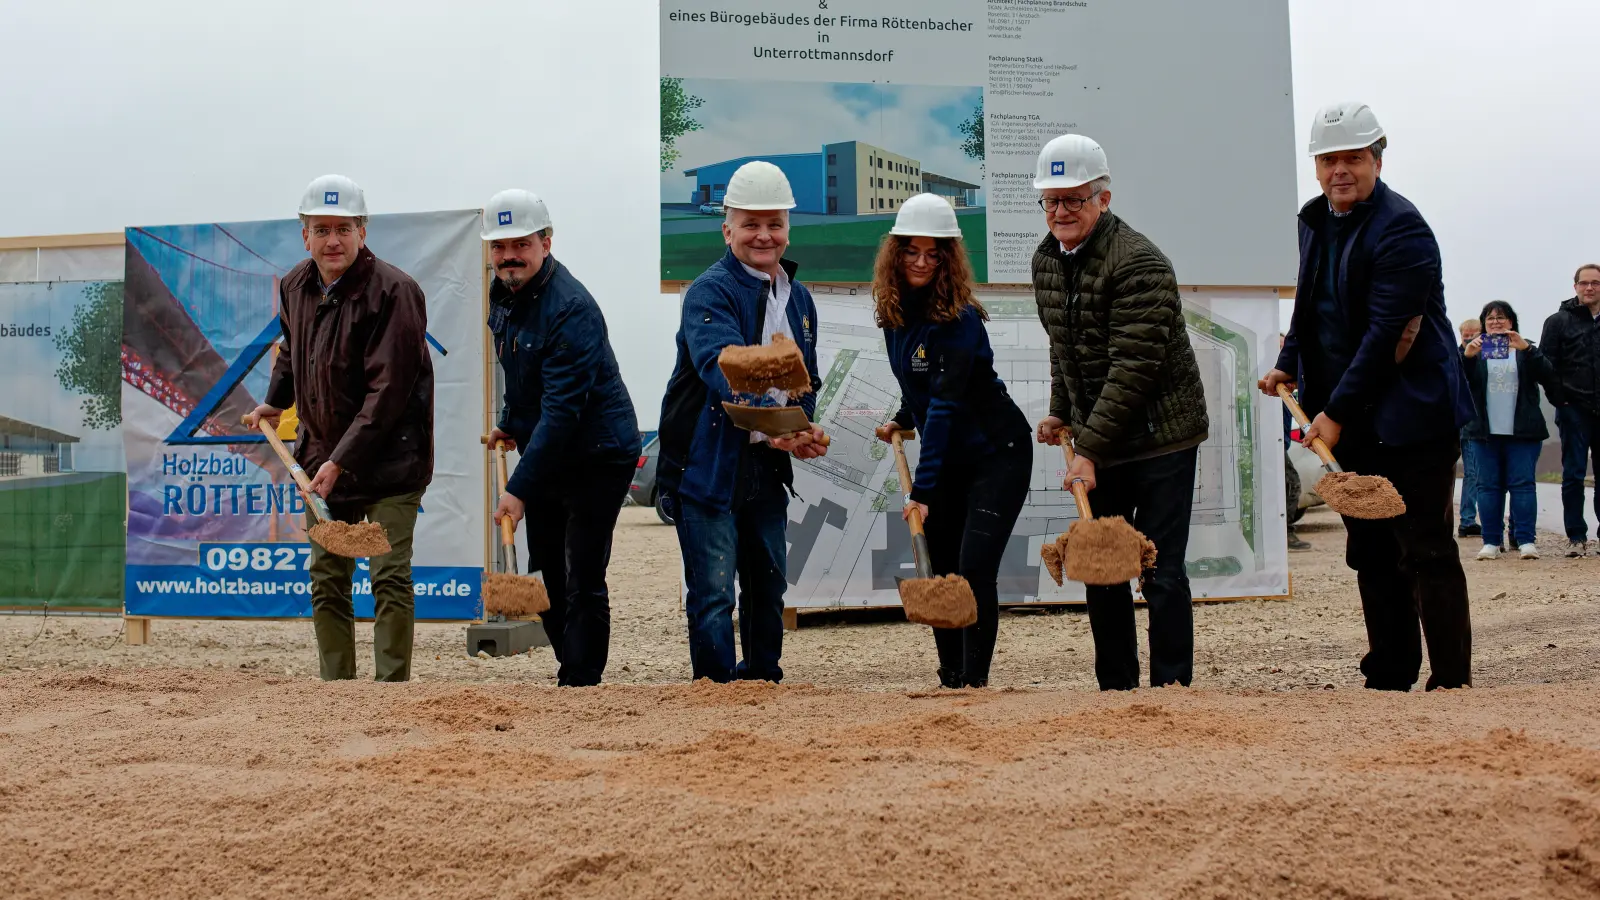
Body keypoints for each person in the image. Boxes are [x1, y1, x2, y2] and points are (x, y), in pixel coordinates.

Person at [1259, 102, 1473, 692]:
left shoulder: (1403, 228)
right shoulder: (1313, 220)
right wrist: (1287, 364)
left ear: (1377, 158)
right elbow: (1308, 309)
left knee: (1425, 548)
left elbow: (1386, 337)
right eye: (1328, 160)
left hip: (1414, 420)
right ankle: (1390, 672)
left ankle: (1452, 681)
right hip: (1355, 423)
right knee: (1371, 551)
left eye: (1352, 158)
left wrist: (1332, 414)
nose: (1339, 171)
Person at [1029, 134, 1209, 691]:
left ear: (1103, 199)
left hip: (1161, 439)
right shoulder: (1046, 259)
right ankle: (1116, 691)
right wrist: (1063, 412)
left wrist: (1088, 453)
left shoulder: (1140, 263)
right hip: (1099, 439)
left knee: (1160, 570)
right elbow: (1065, 345)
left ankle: (1173, 689)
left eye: (1075, 200)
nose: (1061, 212)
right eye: (1051, 200)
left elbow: (1132, 369)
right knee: (1101, 567)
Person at [246, 175, 434, 682]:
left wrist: (340, 460)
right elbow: (292, 352)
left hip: (392, 463)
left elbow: (388, 393)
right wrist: (272, 402)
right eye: (322, 229)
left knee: (389, 575)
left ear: (362, 232)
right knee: (328, 579)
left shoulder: (396, 292)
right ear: (304, 234)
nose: (333, 240)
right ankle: (337, 693)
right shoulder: (294, 285)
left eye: (343, 229)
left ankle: (390, 689)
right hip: (323, 460)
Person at [655, 161, 828, 684]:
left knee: (767, 584)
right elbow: (722, 369)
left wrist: (800, 429)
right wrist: (780, 425)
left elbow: (806, 381)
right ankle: (714, 690)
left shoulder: (797, 299)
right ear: (727, 229)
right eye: (750, 224)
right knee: (712, 591)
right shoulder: (708, 292)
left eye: (774, 223)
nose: (763, 235)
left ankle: (761, 681)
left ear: (787, 229)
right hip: (707, 466)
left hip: (765, 467)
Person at [870, 194, 1032, 689]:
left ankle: (974, 685)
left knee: (972, 567)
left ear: (948, 259)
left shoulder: (958, 320)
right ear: (895, 254)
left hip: (996, 453)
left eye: (933, 253)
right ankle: (951, 678)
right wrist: (901, 417)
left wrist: (922, 491)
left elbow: (944, 405)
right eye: (911, 251)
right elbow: (919, 386)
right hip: (954, 459)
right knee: (938, 570)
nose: (920, 262)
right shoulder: (895, 314)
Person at [482, 189, 640, 687]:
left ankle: (581, 679)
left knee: (582, 572)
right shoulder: (501, 293)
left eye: (521, 244)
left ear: (546, 242)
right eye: (499, 246)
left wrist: (517, 491)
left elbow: (562, 411)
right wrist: (510, 419)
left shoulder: (572, 309)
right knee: (545, 565)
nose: (509, 255)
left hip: (598, 452)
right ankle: (568, 663)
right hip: (549, 448)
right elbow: (520, 372)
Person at [1461, 301, 1553, 561]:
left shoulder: (1525, 349)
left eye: (1501, 318)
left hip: (1522, 432)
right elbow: (1458, 382)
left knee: (1523, 486)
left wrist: (1527, 349)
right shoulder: (1474, 350)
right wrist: (1467, 356)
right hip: (1484, 432)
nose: (1496, 322)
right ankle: (1491, 541)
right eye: (1490, 319)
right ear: (1483, 324)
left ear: (1512, 322)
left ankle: (1525, 541)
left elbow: (1548, 376)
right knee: (1488, 487)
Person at [1538, 263, 1600, 558]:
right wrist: (1560, 400)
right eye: (1584, 283)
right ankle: (1576, 536)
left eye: (1596, 283)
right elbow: (1547, 367)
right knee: (1574, 474)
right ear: (1575, 286)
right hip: (1573, 407)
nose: (1590, 288)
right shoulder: (1558, 321)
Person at [1281, 334, 1312, 552]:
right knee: (1292, 485)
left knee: (1288, 485)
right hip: (1272, 446)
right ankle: (1286, 533)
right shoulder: (1271, 381)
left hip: (1280, 444)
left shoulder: (1284, 385)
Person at [1457, 318, 1484, 538]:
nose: (1470, 338)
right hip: (1466, 423)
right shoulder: (1457, 357)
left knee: (1474, 473)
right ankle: (1466, 520)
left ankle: (1468, 519)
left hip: (1476, 422)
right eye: (1466, 334)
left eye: (1474, 333)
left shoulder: (1487, 356)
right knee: (1473, 473)